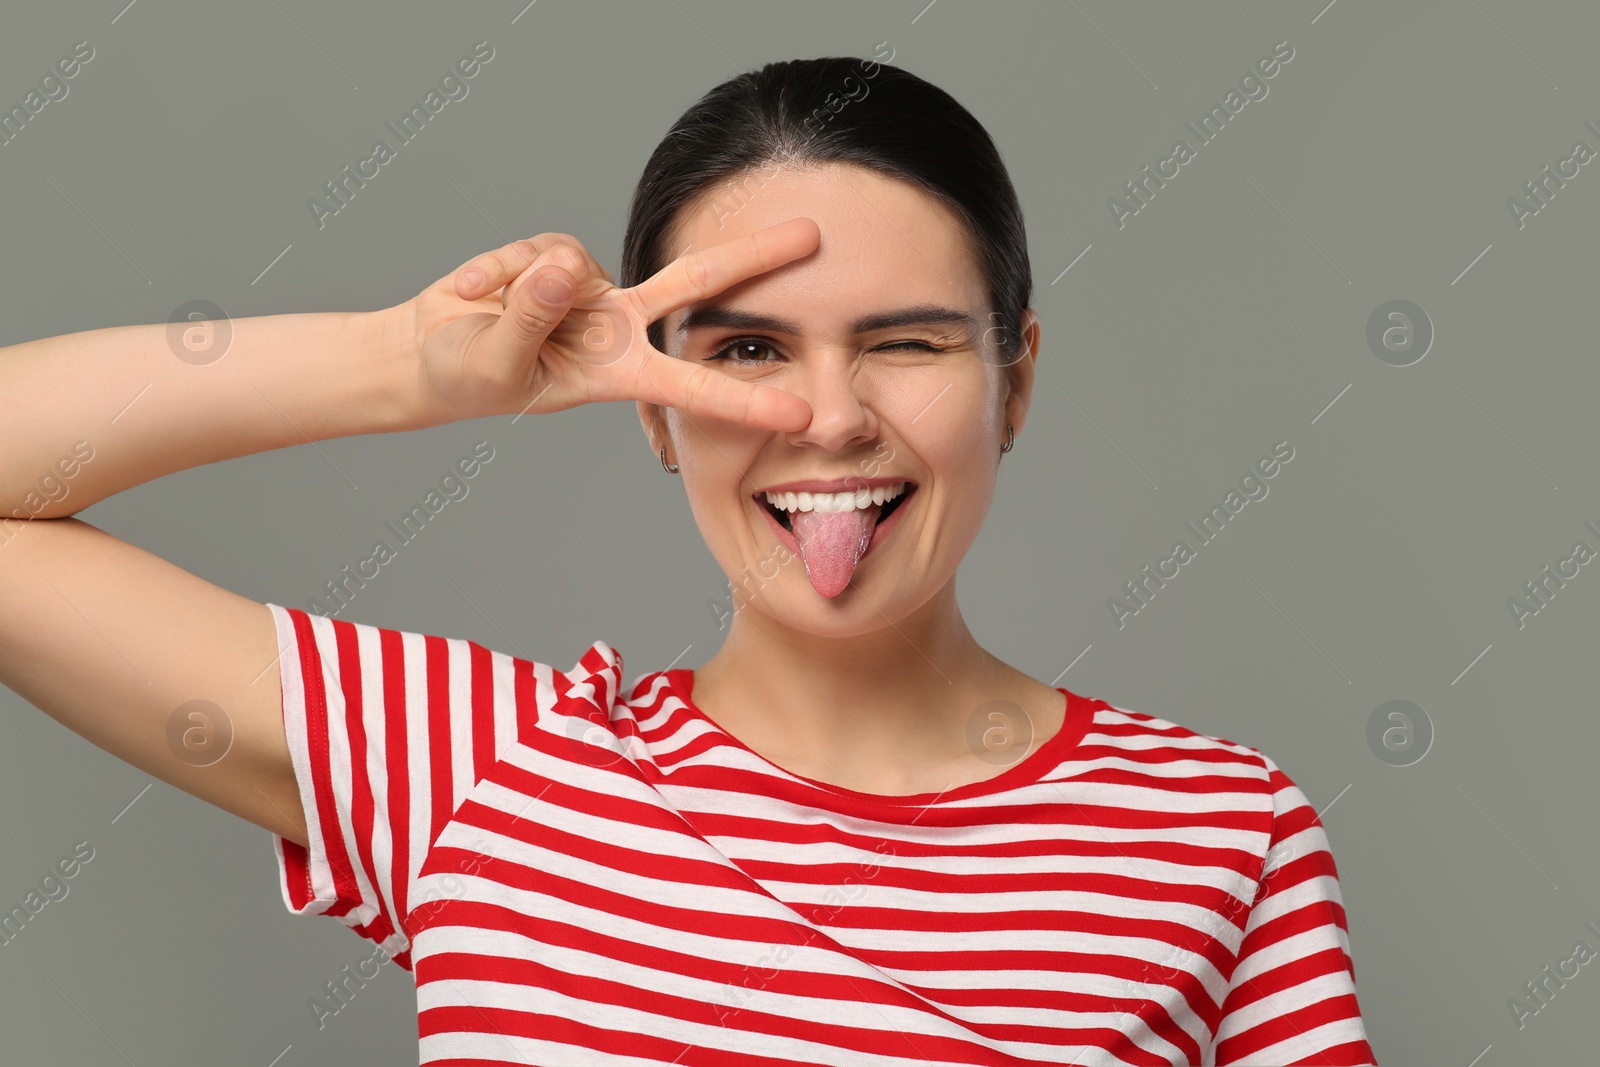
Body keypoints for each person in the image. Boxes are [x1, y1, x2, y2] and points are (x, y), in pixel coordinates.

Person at [0, 56, 1376, 1066]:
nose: (830, 418)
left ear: (1015, 384)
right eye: (744, 353)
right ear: (655, 408)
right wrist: (405, 370)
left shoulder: (1223, 833)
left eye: (906, 342)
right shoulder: (487, 772)